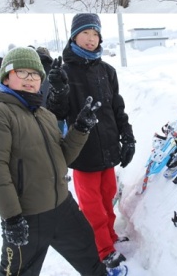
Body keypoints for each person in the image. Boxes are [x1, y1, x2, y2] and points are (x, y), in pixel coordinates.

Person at [0, 47, 123, 276]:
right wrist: (12, 218)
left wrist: (81, 128)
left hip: (63, 207)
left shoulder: (43, 114)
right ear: (6, 76)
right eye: (22, 73)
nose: (30, 79)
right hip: (28, 216)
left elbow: (61, 158)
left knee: (90, 257)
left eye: (35, 74)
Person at [46, 14, 135, 269]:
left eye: (95, 34)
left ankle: (111, 236)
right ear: (74, 36)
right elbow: (56, 113)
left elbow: (117, 108)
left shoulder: (107, 71)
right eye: (86, 33)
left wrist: (127, 136)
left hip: (107, 149)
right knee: (92, 206)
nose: (91, 39)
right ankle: (103, 249)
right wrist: (58, 91)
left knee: (107, 198)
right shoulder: (64, 72)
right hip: (82, 152)